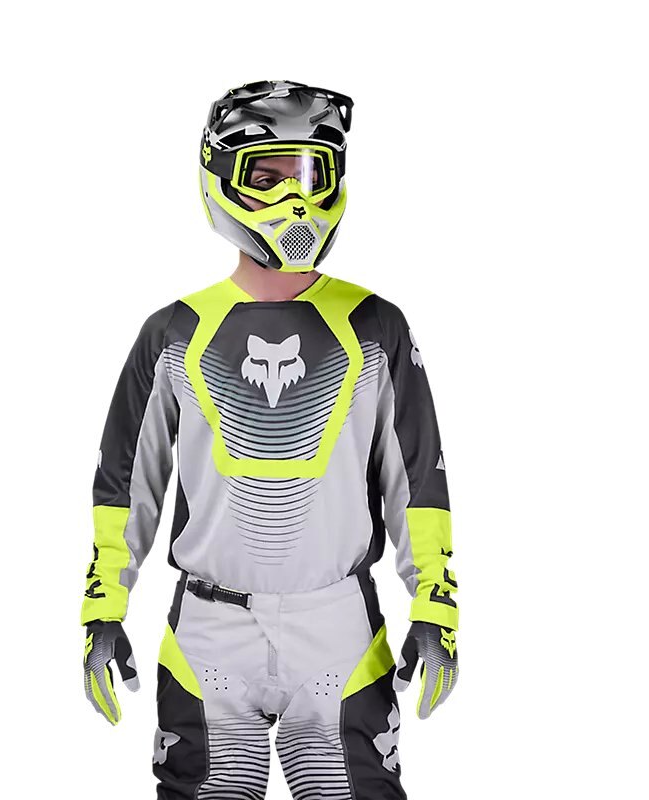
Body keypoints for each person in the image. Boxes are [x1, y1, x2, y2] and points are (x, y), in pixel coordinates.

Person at [81, 80, 459, 800]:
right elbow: (127, 482)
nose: (295, 196)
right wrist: (103, 607)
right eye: (269, 174)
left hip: (338, 623)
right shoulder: (174, 332)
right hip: (209, 629)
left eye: (311, 172)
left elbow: (418, 478)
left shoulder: (377, 326)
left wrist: (435, 607)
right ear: (222, 176)